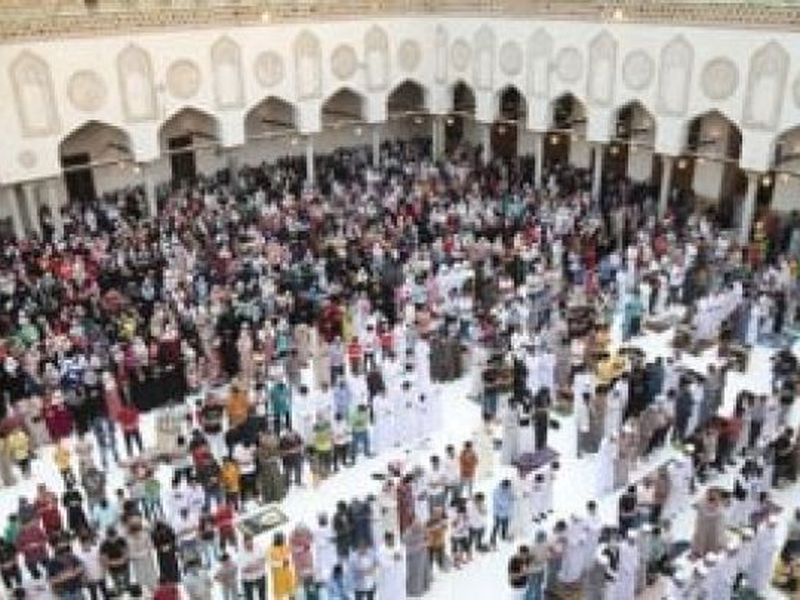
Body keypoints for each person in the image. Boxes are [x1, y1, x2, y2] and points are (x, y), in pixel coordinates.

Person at [269, 532, 296, 600]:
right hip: (278, 575)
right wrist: (281, 563)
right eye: (282, 539)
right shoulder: (271, 549)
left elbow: (291, 554)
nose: (283, 541)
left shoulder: (286, 546)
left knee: (292, 592)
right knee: (279, 594)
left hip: (288, 573)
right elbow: (270, 563)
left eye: (284, 539)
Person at [240, 534, 267, 600]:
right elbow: (244, 569)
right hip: (247, 579)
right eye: (248, 544)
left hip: (260, 576)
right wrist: (257, 564)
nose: (250, 545)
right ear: (244, 543)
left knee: (263, 596)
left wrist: (252, 565)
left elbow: (264, 559)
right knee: (249, 597)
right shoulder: (240, 552)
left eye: (251, 542)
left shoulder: (258, 547)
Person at [490, 479, 514, 548]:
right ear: (503, 485)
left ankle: (504, 536)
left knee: (505, 525)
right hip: (498, 513)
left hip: (506, 513)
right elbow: (502, 503)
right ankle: (492, 539)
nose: (508, 488)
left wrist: (513, 498)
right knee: (496, 526)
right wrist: (509, 500)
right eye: (507, 486)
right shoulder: (497, 491)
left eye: (509, 487)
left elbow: (512, 496)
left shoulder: (508, 490)